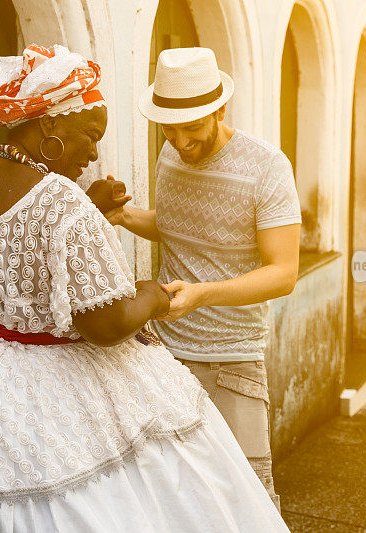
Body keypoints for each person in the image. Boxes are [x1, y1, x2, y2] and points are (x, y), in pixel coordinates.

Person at [0, 44, 289, 532]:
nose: (93, 152)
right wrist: (149, 294)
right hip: (51, 380)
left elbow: (19, 245)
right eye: (90, 136)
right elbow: (104, 324)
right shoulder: (64, 198)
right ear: (49, 125)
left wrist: (94, 207)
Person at [105, 47, 301, 506]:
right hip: (160, 357)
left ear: (220, 109)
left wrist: (203, 295)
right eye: (169, 129)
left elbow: (284, 272)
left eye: (192, 127)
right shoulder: (169, 155)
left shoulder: (267, 168)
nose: (180, 141)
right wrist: (123, 215)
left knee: (242, 500)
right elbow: (176, 225)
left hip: (230, 360)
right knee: (173, 500)